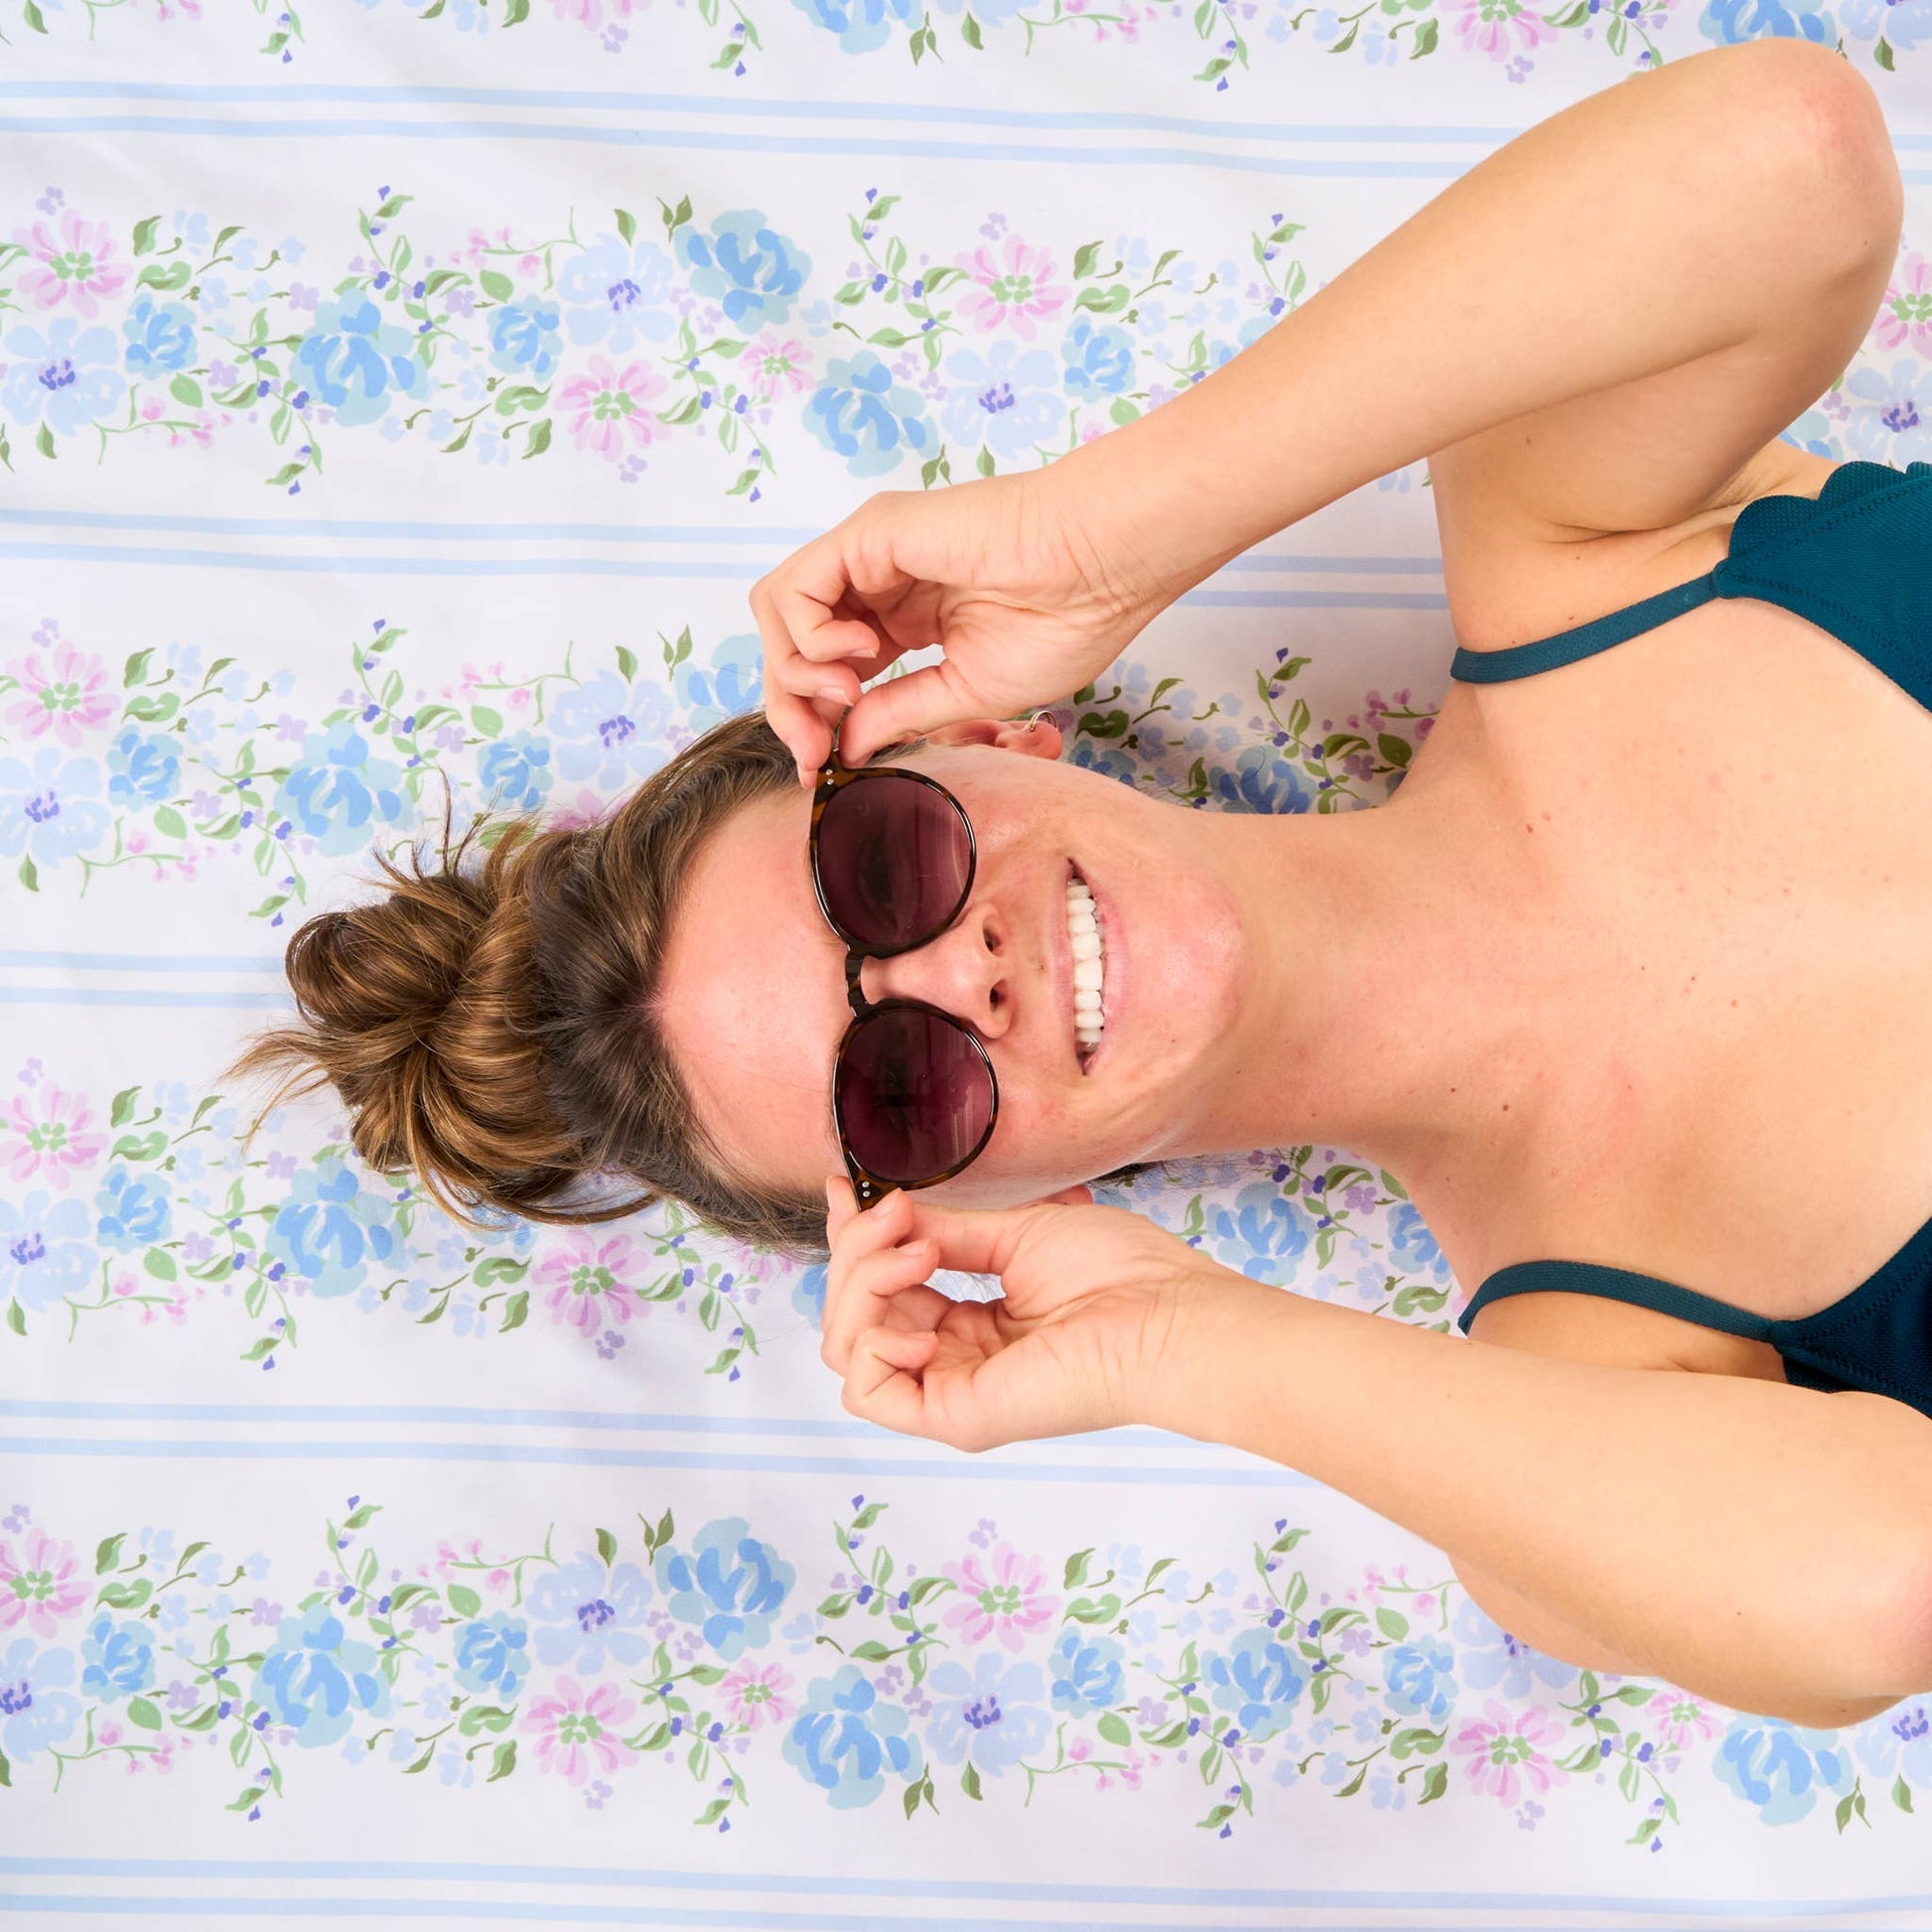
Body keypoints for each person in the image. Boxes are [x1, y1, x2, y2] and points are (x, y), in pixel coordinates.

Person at [241, 39, 1930, 1729]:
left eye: (880, 867)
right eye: (895, 1084)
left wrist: (1100, 538)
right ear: (992, 1206)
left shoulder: (1566, 541)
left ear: (976, 734)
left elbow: (1793, 153)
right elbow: (1886, 1584)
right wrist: (1176, 1344)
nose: (954, 974)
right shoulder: (1580, 1408)